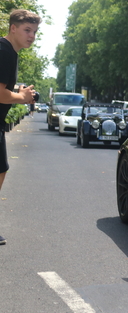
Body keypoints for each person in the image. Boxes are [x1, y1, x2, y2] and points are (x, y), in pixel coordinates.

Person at [0, 9, 41, 245]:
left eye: (34, 31)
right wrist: (22, 97)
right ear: (13, 28)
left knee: (1, 170)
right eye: (27, 30)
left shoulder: (10, 52)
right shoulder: (4, 51)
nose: (31, 36)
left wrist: (21, 94)